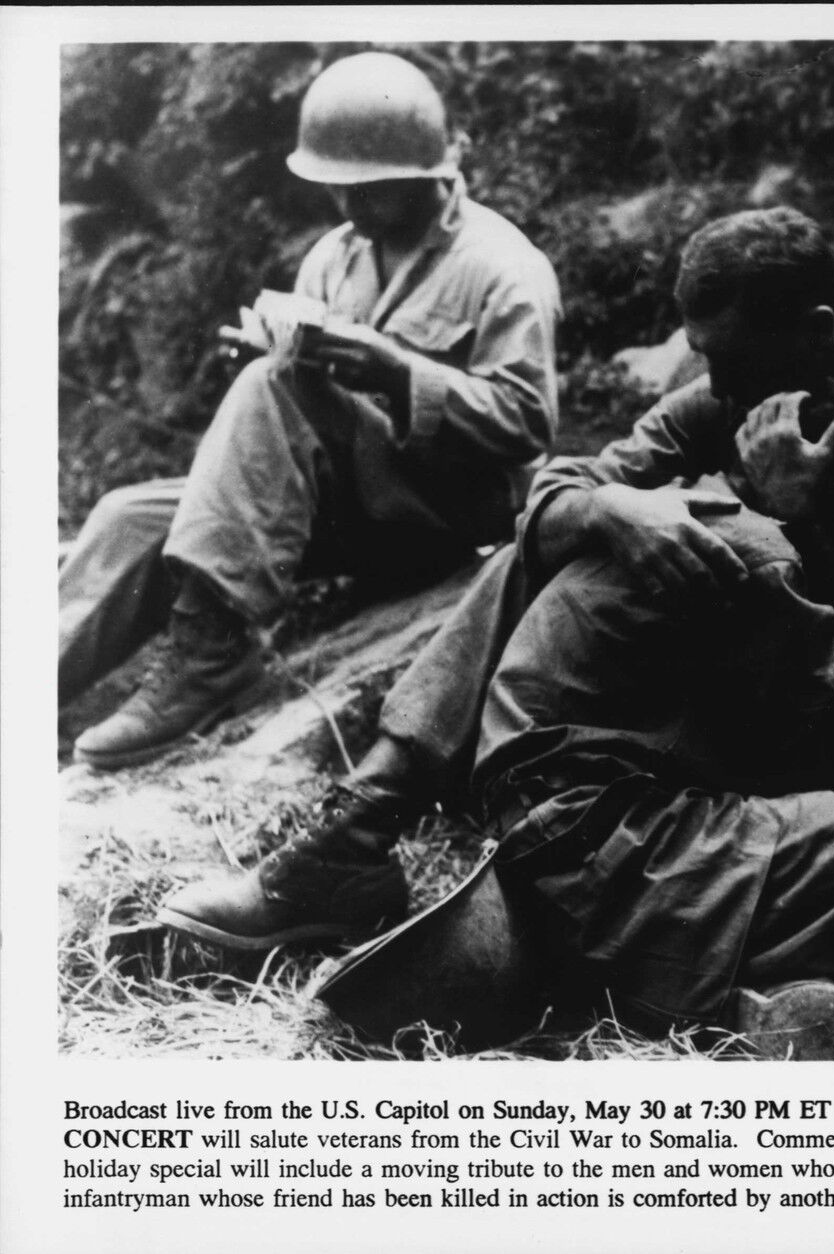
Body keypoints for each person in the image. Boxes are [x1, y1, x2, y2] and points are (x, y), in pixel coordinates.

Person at [160, 207, 834, 1020]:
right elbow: (551, 498)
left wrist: (791, 520)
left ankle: (785, 1003)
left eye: (731, 361)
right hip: (781, 687)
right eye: (703, 358)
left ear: (817, 329)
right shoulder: (728, 394)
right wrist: (609, 508)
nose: (714, 387)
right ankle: (358, 827)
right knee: (561, 544)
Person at [314, 383, 834, 1060]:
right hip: (628, 857)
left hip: (574, 858)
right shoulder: (750, 557)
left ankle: (760, 1012)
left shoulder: (666, 518)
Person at [60, 51, 561, 770]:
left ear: (426, 175)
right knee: (126, 516)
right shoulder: (337, 254)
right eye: (338, 191)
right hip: (349, 501)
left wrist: (397, 373)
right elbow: (306, 401)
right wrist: (272, 353)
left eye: (371, 192)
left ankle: (210, 653)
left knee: (274, 388)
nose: (350, 209)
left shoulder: (502, 267)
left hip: (445, 515)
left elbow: (526, 423)